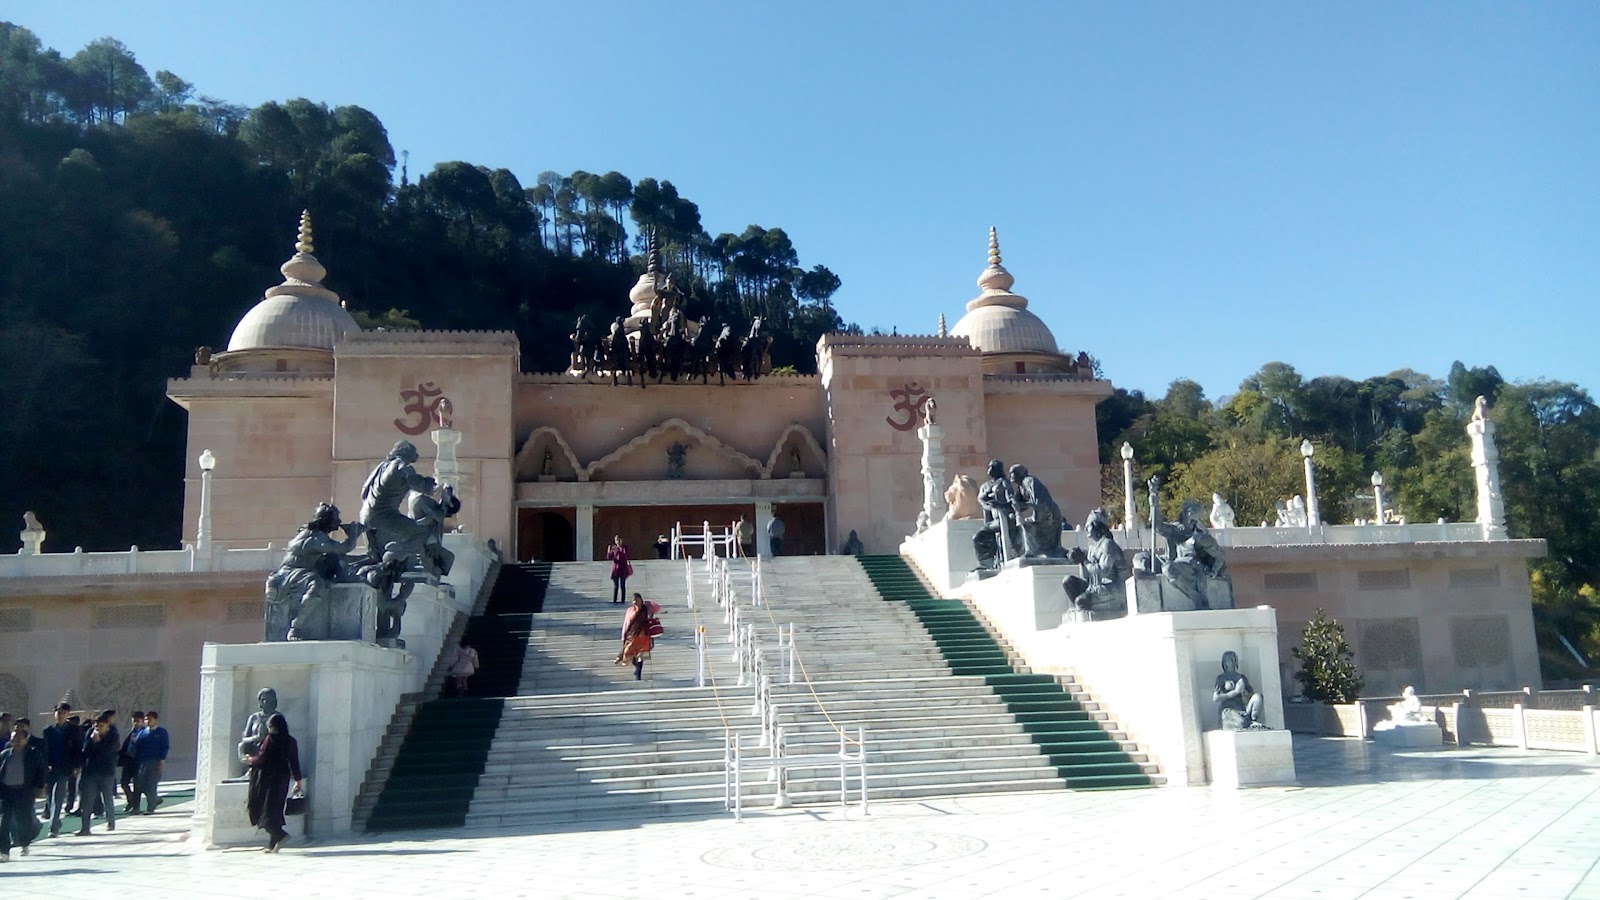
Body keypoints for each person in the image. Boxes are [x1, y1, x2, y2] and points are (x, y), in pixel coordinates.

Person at [243, 712, 303, 853]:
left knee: (266, 812)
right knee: (275, 811)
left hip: (268, 780)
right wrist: (298, 781)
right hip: (282, 780)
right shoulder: (291, 741)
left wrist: (249, 760)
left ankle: (281, 835)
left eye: (270, 726)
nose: (269, 729)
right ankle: (273, 845)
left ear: (274, 727)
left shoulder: (270, 739)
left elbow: (262, 758)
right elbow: (294, 763)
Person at [0, 724, 46, 861]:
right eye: (13, 739)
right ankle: (4, 851)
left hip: (24, 792)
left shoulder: (33, 753)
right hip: (7, 792)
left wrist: (40, 787)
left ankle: (24, 843)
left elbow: (41, 771)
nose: (16, 742)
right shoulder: (4, 755)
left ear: (25, 740)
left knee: (24, 820)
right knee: (4, 822)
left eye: (19, 739)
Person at [41, 702, 82, 837]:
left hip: (65, 768)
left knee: (58, 796)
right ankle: (56, 821)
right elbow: (45, 750)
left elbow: (78, 749)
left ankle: (53, 827)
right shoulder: (48, 731)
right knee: (49, 797)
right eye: (59, 712)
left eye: (64, 713)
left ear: (67, 715)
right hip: (50, 768)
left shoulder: (74, 730)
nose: (61, 715)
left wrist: (76, 766)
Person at [75, 711, 118, 836]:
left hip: (106, 771)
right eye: (96, 726)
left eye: (101, 726)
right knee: (87, 799)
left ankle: (110, 821)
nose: (98, 728)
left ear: (107, 726)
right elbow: (85, 751)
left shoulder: (113, 735)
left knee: (107, 797)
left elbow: (108, 752)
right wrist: (80, 766)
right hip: (90, 771)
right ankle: (85, 827)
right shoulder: (90, 734)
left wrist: (98, 742)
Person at [1212, 651, 1267, 730]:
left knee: (1258, 697)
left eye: (1233, 660)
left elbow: (1251, 695)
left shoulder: (1241, 677)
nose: (1231, 663)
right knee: (1241, 723)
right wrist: (1235, 692)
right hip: (1229, 710)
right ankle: (1243, 722)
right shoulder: (1221, 678)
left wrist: (1245, 693)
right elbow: (1215, 698)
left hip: (1241, 708)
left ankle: (1253, 720)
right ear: (1224, 663)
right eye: (1228, 660)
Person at [129, 710, 169, 814]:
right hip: (142, 762)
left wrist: (162, 760)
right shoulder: (142, 732)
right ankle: (154, 799)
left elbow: (165, 747)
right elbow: (136, 746)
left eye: (149, 719)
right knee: (141, 784)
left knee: (152, 784)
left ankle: (150, 807)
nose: (147, 721)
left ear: (155, 720)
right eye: (146, 719)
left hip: (155, 761)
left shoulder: (161, 732)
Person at [614, 593, 661, 681]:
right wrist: (624, 635)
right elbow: (627, 623)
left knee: (640, 655)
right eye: (633, 600)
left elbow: (657, 607)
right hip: (632, 635)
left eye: (637, 599)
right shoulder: (630, 610)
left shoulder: (646, 608)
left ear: (641, 599)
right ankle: (635, 668)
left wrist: (649, 603)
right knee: (631, 653)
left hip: (643, 635)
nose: (635, 602)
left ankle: (638, 674)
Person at [238, 688, 278, 760]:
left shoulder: (278, 717)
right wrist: (256, 738)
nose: (266, 702)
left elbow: (283, 737)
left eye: (269, 699)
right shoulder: (254, 717)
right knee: (241, 746)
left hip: (272, 751)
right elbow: (244, 739)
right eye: (263, 700)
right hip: (255, 750)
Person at [118, 711, 142, 810]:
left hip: (138, 761)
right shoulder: (131, 732)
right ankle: (131, 800)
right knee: (124, 783)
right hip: (128, 761)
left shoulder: (143, 732)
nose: (135, 723)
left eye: (137, 721)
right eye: (134, 721)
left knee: (137, 785)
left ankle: (136, 807)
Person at [606, 534, 631, 604]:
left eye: (619, 540)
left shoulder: (625, 547)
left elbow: (625, 555)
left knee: (623, 585)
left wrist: (620, 548)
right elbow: (609, 557)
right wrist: (609, 551)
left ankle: (623, 600)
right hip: (616, 569)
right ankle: (614, 600)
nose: (618, 542)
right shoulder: (613, 548)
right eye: (616, 540)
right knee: (616, 586)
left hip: (623, 568)